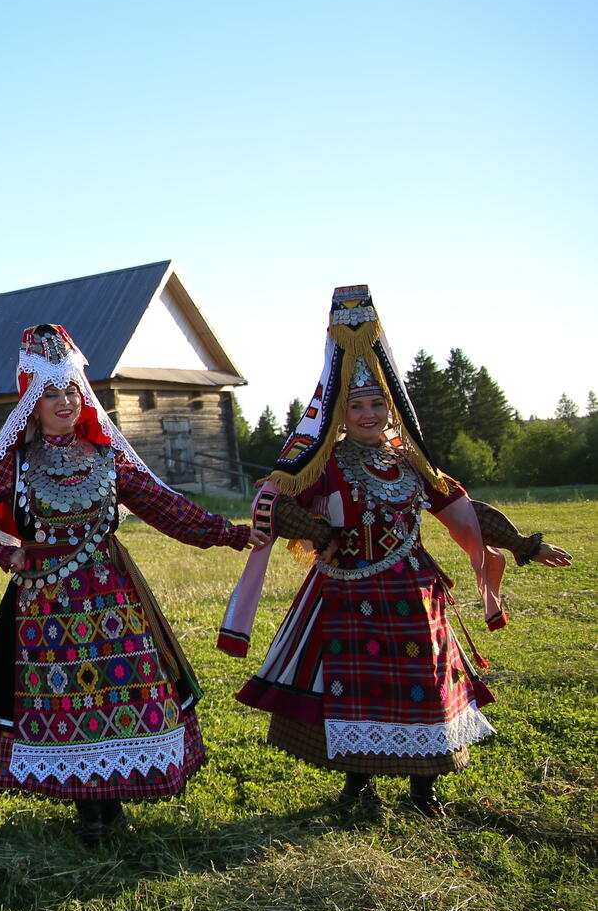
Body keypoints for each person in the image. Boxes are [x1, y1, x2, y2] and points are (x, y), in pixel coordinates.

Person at [218, 285, 571, 815]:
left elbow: (466, 511)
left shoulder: (413, 465)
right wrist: (321, 535)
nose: (368, 412)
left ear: (390, 406)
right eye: (356, 404)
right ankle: (357, 785)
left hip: (413, 592)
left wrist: (524, 544)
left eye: (377, 402)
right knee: (353, 687)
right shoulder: (327, 462)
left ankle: (424, 790)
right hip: (345, 592)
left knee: (422, 682)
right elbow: (277, 502)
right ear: (341, 411)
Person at [0, 324, 263, 847]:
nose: (64, 402)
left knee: (122, 687)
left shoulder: (107, 456)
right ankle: (89, 809)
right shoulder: (14, 464)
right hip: (45, 605)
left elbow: (164, 506)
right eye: (50, 394)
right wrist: (5, 554)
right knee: (65, 701)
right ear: (32, 404)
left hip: (114, 594)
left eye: (70, 390)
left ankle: (113, 794)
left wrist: (229, 534)